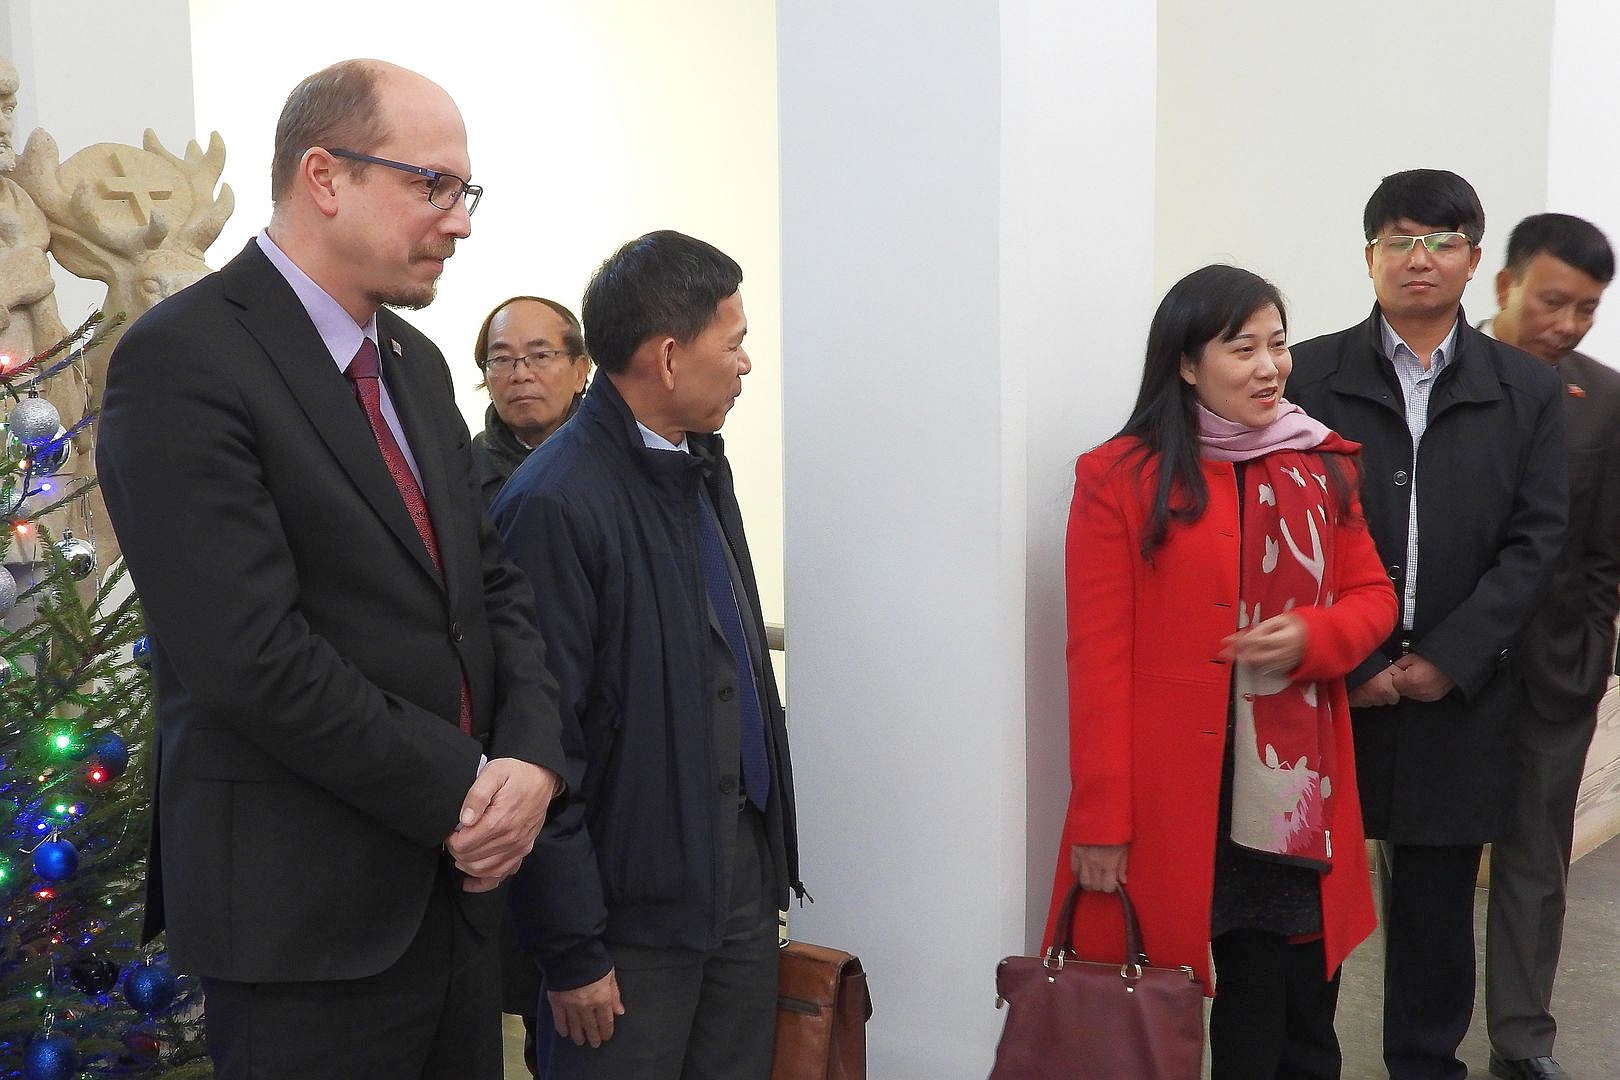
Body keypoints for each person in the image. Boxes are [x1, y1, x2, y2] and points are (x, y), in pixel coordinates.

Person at [94, 59, 567, 1080]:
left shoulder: (416, 363)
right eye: (433, 185)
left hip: (454, 906)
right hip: (303, 920)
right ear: (324, 176)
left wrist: (532, 757)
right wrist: (468, 786)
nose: (460, 221)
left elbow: (490, 590)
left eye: (465, 191)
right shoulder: (183, 357)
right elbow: (248, 656)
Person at [1048, 264, 1395, 1080]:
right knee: (1152, 1011)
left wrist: (1313, 634)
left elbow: (1373, 597)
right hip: (1174, 793)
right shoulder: (1119, 478)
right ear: (1185, 363)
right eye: (1243, 349)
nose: (1271, 367)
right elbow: (1097, 662)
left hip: (1287, 787)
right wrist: (1101, 818)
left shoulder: (1321, 463)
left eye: (1278, 345)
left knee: (1290, 1014)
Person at [492, 229, 802, 1080]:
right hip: (627, 913)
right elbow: (538, 737)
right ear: (668, 356)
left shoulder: (697, 463)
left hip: (733, 877)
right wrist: (572, 947)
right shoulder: (556, 502)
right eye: (732, 344)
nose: (745, 364)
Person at [1288, 170, 1568, 1080]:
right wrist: (1352, 656)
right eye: (1400, 240)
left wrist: (1452, 655)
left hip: (1462, 689)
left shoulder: (1525, 388)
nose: (1421, 258)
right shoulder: (1307, 377)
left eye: (1442, 241)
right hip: (1332, 685)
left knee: (1437, 910)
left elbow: (1537, 540)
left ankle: (1423, 1065)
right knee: (1308, 904)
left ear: (1474, 260)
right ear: (1368, 256)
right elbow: (1283, 534)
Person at [1477, 213, 1619, 1080]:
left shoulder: (1604, 400)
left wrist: (1592, 653)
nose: (1568, 324)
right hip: (1444, 673)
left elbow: (1604, 551)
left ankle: (1523, 1040)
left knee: (1537, 862)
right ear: (1507, 286)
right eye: (1553, 301)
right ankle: (1420, 1034)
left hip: (1555, 672)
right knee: (1428, 864)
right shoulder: (1446, 375)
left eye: (1588, 309)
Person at [470, 295, 591, 504]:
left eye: (540, 356)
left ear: (580, 372)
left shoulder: (617, 455)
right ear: (486, 380)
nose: (521, 374)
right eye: (502, 359)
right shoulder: (463, 470)